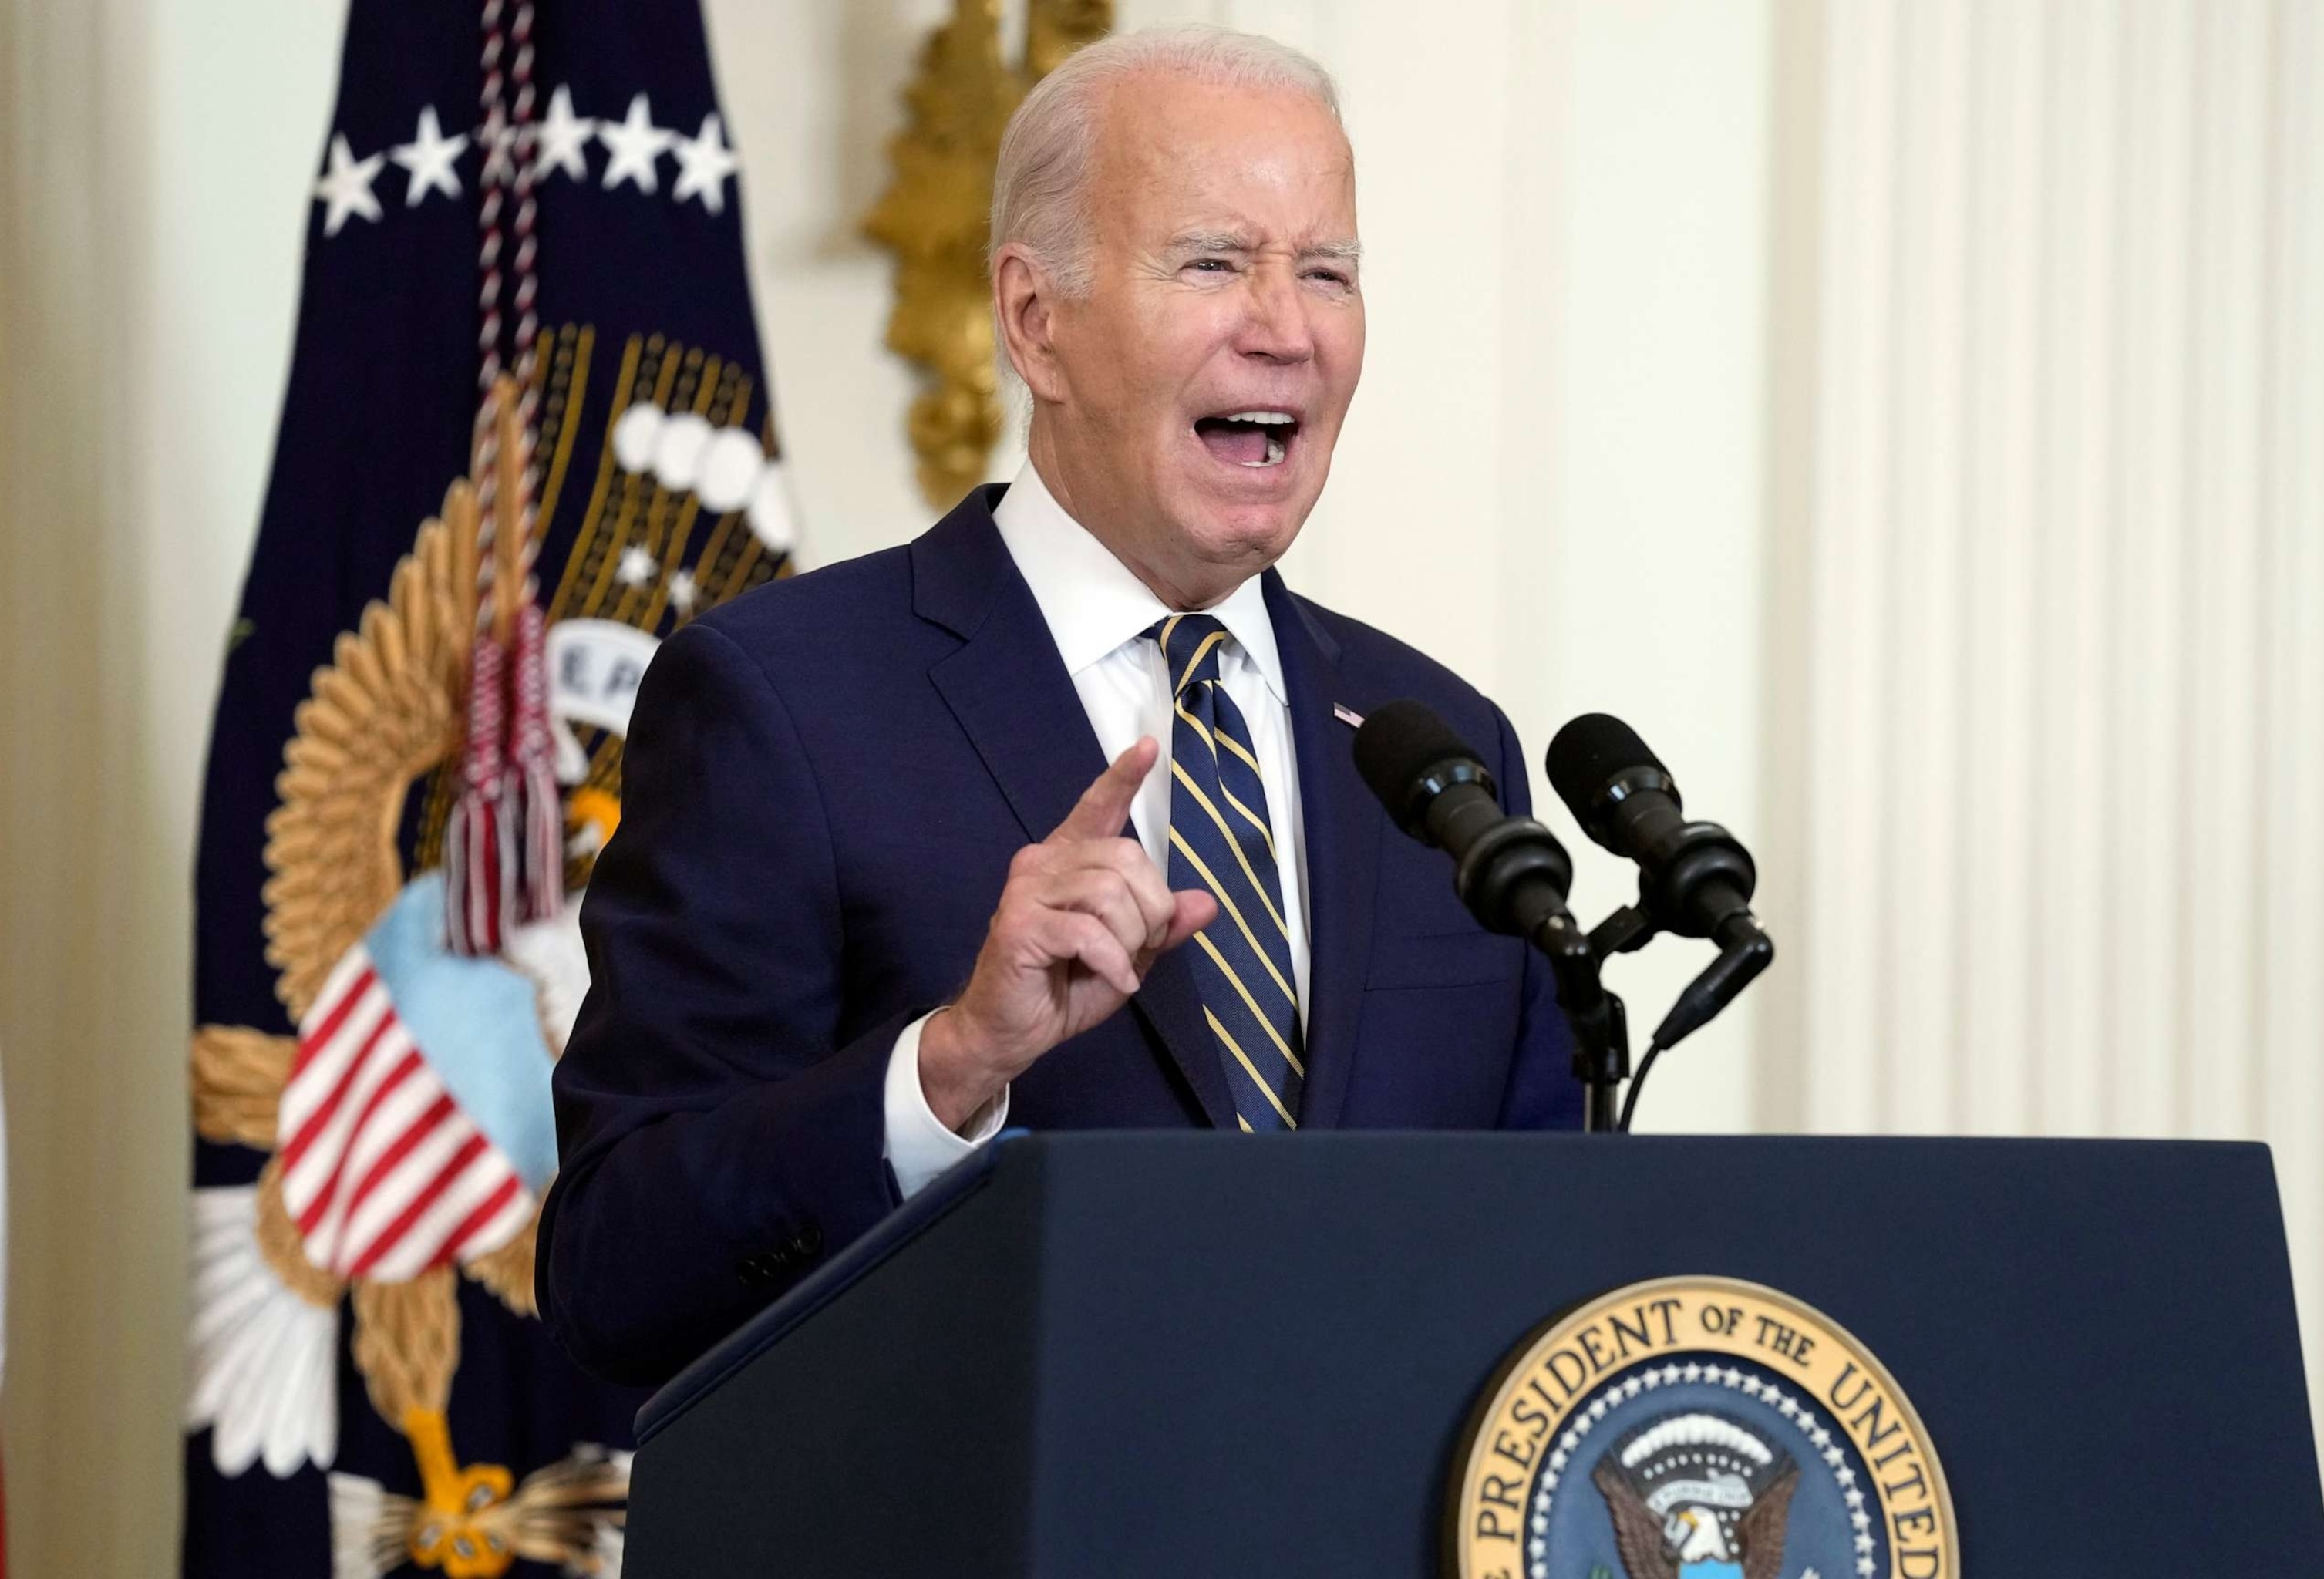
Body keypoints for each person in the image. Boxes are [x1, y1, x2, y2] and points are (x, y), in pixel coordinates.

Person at [537, 25, 1583, 1386]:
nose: (1285, 327)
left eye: (1325, 270)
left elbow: (1540, 1262)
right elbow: (618, 1274)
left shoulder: (1438, 747)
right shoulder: (782, 702)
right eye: (1214, 262)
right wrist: (953, 1065)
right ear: (1036, 322)